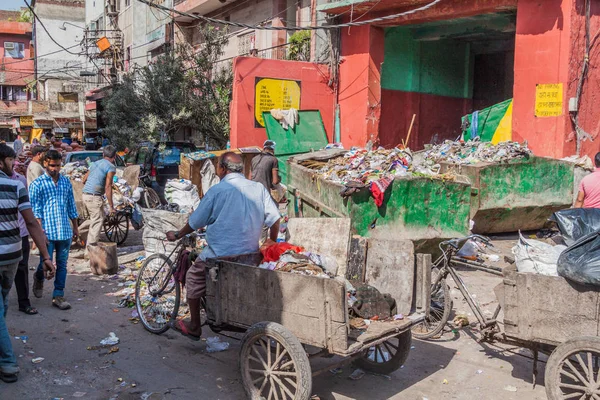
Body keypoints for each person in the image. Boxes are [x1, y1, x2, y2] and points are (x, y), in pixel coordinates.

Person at [166, 152, 280, 340]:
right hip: (251, 254)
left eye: (219, 167)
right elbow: (275, 220)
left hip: (220, 256)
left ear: (222, 169)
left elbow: (195, 222)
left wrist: (177, 234)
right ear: (242, 169)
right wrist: (272, 242)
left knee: (193, 277)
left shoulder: (217, 191)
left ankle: (194, 326)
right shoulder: (258, 189)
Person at [0, 144, 54, 383]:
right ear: (2, 161)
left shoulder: (16, 182)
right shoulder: (15, 185)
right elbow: (32, 223)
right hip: (12, 254)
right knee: (1, 303)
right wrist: (45, 256)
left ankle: (8, 362)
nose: (14, 165)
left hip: (8, 255)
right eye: (11, 160)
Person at [29, 149, 79, 310]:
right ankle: (38, 278)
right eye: (52, 165)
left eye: (57, 165)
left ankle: (58, 295)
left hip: (64, 230)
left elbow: (72, 206)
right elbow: (35, 211)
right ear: (45, 164)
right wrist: (39, 233)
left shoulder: (65, 182)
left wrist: (76, 228)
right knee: (46, 261)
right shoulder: (38, 184)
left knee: (62, 265)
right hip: (47, 232)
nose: (55, 168)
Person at [8, 169, 37, 315]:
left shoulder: (20, 180)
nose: (12, 163)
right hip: (4, 234)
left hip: (21, 232)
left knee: (22, 268)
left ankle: (24, 302)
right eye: (9, 159)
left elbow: (27, 210)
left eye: (13, 159)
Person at [82, 145, 117, 252]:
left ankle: (77, 232)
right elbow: (108, 186)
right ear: (114, 156)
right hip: (94, 197)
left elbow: (84, 179)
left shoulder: (95, 164)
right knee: (97, 221)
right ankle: (89, 252)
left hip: (84, 195)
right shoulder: (111, 167)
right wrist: (111, 206)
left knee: (94, 219)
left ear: (103, 154)